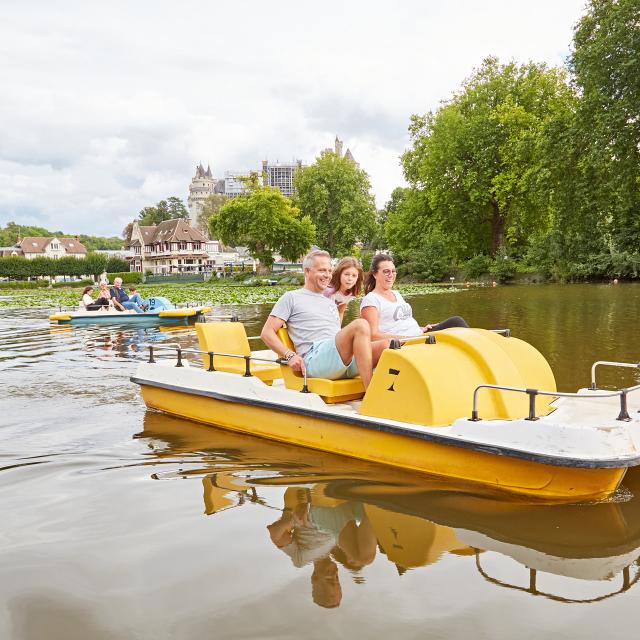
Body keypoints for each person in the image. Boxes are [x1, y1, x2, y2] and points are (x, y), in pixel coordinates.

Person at [260, 250, 388, 389]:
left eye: (329, 270)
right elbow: (266, 333)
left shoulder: (330, 301)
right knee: (361, 324)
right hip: (315, 359)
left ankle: (392, 392)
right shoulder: (291, 297)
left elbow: (336, 335)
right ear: (307, 271)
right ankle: (371, 393)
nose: (327, 275)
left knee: (386, 345)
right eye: (322, 270)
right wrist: (289, 355)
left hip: (340, 360)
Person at [360, 254, 468, 340]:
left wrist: (421, 328)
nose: (391, 275)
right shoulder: (371, 300)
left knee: (456, 322)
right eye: (386, 271)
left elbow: (404, 321)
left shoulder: (396, 294)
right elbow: (373, 335)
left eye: (393, 271)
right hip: (404, 343)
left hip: (419, 335)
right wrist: (408, 338)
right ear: (375, 274)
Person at [322, 256, 364, 324]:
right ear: (339, 274)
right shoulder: (328, 291)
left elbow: (341, 312)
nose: (350, 278)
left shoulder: (350, 293)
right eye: (346, 274)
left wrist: (338, 331)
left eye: (354, 275)